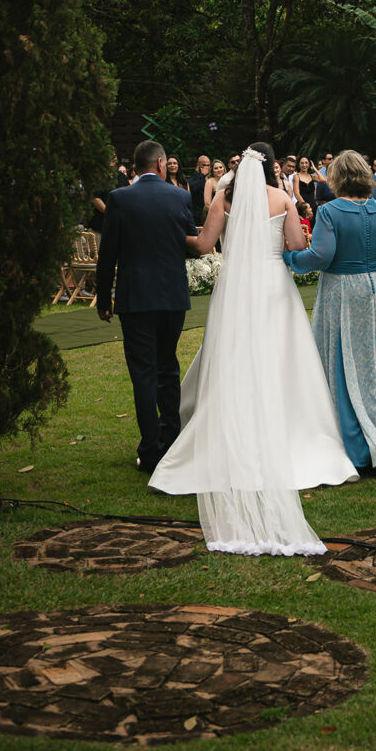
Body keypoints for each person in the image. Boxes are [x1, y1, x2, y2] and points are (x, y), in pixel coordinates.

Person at [149, 143, 356, 554]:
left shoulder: (224, 200)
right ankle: (290, 429)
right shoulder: (281, 198)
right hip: (274, 289)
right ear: (270, 167)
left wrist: (177, 237)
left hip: (235, 291)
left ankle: (231, 427)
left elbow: (205, 246)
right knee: (283, 360)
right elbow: (296, 245)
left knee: (235, 358)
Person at [284, 149, 376, 476]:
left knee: (344, 363)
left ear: (336, 179)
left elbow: (320, 256)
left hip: (346, 291)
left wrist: (289, 258)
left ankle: (357, 450)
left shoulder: (329, 211)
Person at [96, 140, 198, 472]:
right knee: (167, 366)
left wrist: (103, 297)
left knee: (143, 372)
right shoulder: (180, 196)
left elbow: (108, 251)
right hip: (171, 295)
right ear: (159, 164)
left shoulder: (119, 198)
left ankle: (151, 449)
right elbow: (190, 241)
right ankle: (171, 441)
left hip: (135, 295)